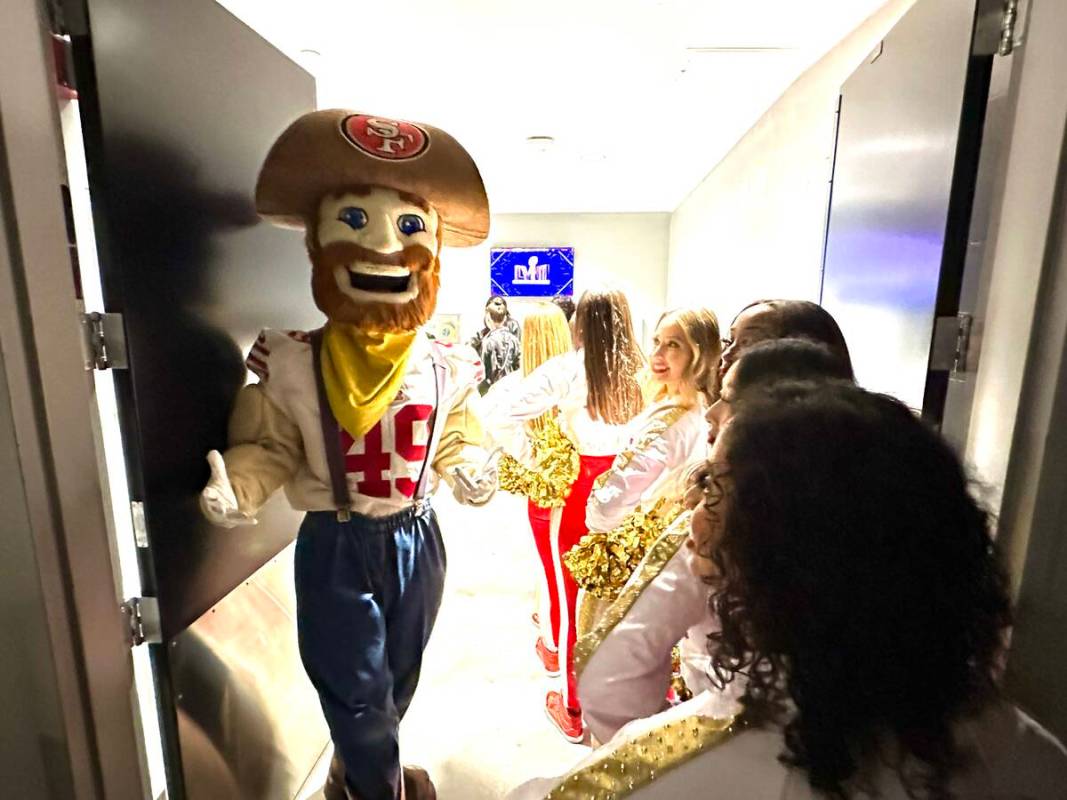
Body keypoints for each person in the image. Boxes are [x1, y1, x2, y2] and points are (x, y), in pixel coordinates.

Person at [514, 382, 1067, 799]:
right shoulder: (1030, 753)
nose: (696, 524)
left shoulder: (692, 764)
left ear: (783, 551)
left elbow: (604, 684)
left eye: (714, 493)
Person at [197, 110, 498, 800]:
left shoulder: (444, 362)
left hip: (419, 536)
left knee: (395, 682)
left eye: (408, 226)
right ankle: (376, 790)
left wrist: (471, 465)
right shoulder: (295, 362)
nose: (385, 247)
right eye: (355, 222)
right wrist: (239, 487)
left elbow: (458, 432)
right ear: (317, 244)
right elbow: (270, 445)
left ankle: (354, 774)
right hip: (337, 540)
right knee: (358, 697)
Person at [576, 338, 854, 745]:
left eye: (732, 398)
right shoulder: (867, 499)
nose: (714, 411)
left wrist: (659, 747)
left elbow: (611, 680)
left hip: (732, 724)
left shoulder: (721, 519)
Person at [486, 288, 645, 742]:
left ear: (581, 324)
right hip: (633, 489)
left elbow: (504, 414)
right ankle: (623, 706)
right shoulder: (643, 369)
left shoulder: (569, 368)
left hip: (582, 491)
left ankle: (574, 708)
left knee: (571, 595)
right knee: (626, 598)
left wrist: (535, 458)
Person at [564, 308, 720, 638]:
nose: (659, 354)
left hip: (642, 563)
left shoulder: (671, 422)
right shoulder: (700, 409)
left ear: (699, 353)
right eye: (657, 342)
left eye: (674, 345)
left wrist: (600, 515)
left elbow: (608, 507)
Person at [482, 302, 575, 648]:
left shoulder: (511, 388)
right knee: (566, 574)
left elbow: (495, 425)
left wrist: (532, 458)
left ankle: (552, 641)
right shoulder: (578, 378)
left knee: (549, 569)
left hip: (542, 491)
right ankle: (556, 634)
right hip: (581, 486)